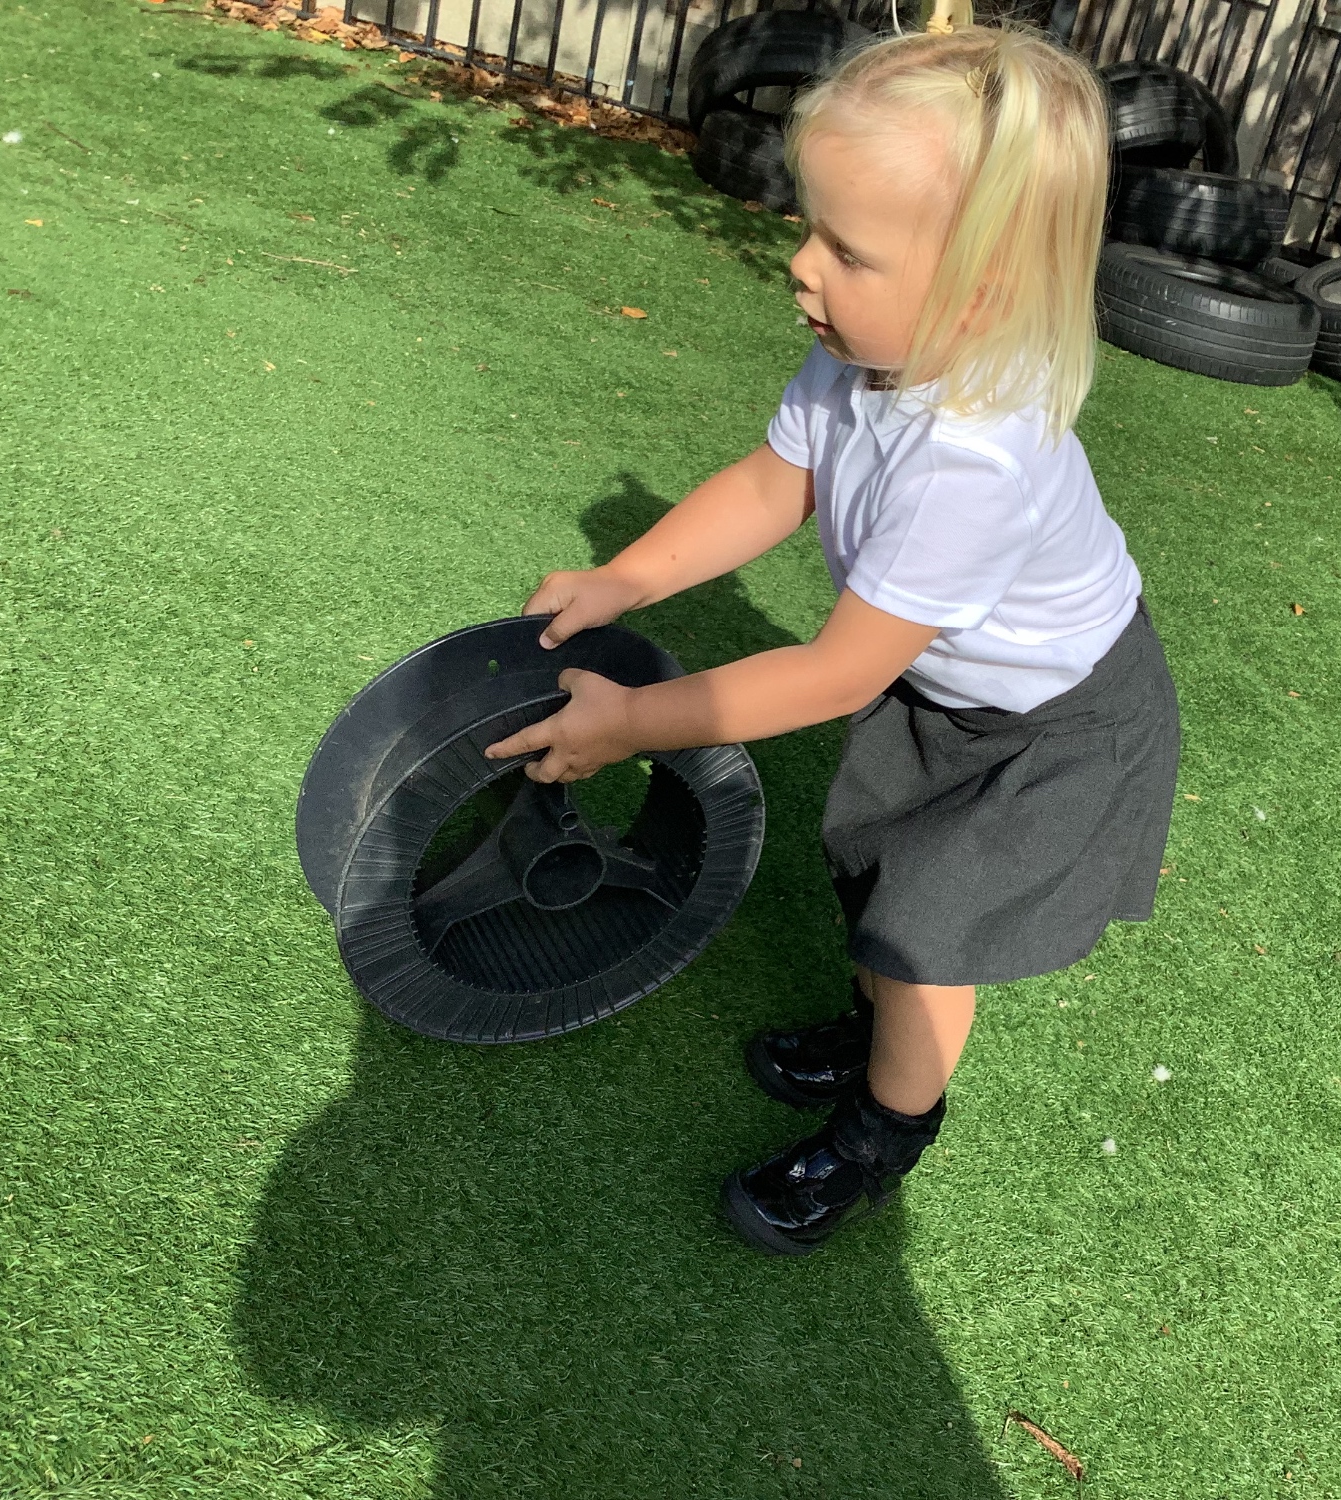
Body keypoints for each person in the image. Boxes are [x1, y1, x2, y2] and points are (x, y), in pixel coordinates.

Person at [485, 15, 1180, 1254]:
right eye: (812, 228)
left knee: (920, 939)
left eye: (846, 250)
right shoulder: (861, 362)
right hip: (943, 688)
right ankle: (873, 1042)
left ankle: (884, 1128)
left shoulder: (969, 459)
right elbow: (772, 485)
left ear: (978, 289)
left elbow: (833, 671)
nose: (799, 266)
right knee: (873, 867)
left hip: (1057, 731)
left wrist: (632, 724)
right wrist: (622, 579)